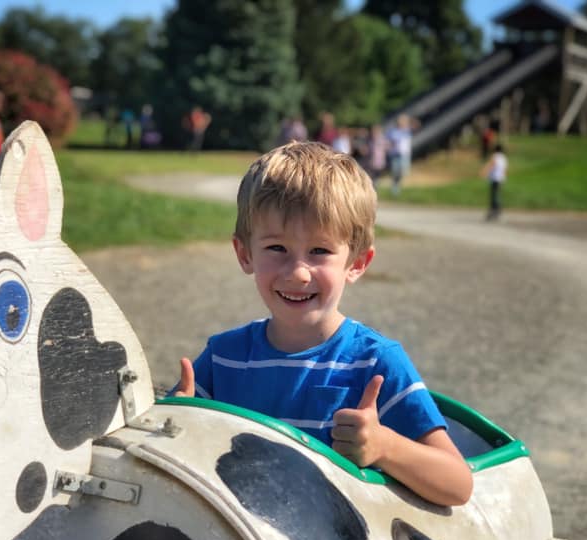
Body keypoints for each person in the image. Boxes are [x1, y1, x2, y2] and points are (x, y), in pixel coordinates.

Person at [173, 141, 473, 506]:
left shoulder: (375, 363)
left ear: (358, 263)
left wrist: (384, 446)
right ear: (244, 253)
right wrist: (176, 421)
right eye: (277, 249)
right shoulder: (223, 359)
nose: (298, 273)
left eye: (320, 251)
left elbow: (457, 484)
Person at [385, 114, 414, 196]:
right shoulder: (392, 131)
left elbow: (417, 126)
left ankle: (397, 186)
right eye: (401, 121)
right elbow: (387, 141)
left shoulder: (407, 131)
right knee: (395, 172)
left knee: (403, 171)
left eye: (404, 121)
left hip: (405, 155)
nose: (402, 123)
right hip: (395, 154)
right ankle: (395, 188)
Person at [481, 143, 508, 220]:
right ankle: (496, 210)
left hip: (495, 178)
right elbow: (505, 169)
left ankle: (495, 210)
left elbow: (491, 164)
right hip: (501, 179)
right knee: (497, 194)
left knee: (494, 195)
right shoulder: (504, 157)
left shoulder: (495, 156)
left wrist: (484, 171)